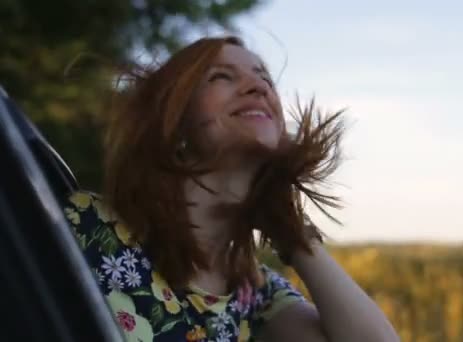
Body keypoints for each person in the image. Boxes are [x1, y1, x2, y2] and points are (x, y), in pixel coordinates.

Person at [62, 36, 399, 342]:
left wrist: (293, 235)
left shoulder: (254, 294)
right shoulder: (86, 227)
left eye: (265, 78)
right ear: (175, 121)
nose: (258, 87)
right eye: (221, 76)